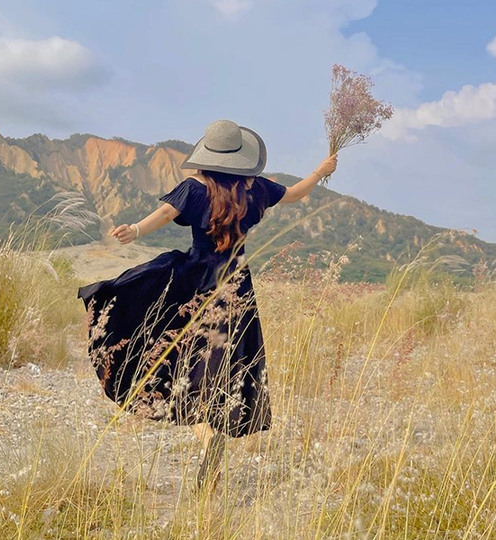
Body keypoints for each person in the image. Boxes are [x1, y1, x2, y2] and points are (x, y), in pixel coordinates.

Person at [77, 119, 337, 493]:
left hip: (195, 281)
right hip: (236, 284)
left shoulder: (195, 189)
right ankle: (213, 429)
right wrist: (321, 170)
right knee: (220, 363)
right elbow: (296, 194)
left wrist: (134, 230)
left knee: (175, 352)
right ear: (242, 159)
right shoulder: (256, 189)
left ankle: (205, 434)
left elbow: (165, 214)